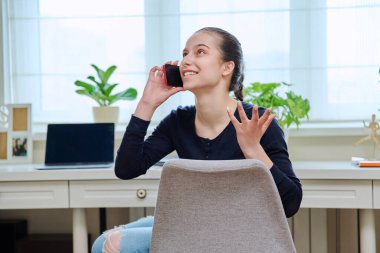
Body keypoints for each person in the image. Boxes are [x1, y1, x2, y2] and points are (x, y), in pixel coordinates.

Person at [92, 27, 302, 253]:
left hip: (241, 231)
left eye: (199, 52)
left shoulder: (256, 121)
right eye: (185, 54)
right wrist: (147, 104)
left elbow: (291, 203)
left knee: (110, 245)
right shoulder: (179, 121)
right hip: (192, 222)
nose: (186, 61)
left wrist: (253, 149)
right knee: (100, 242)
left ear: (226, 67)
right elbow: (126, 168)